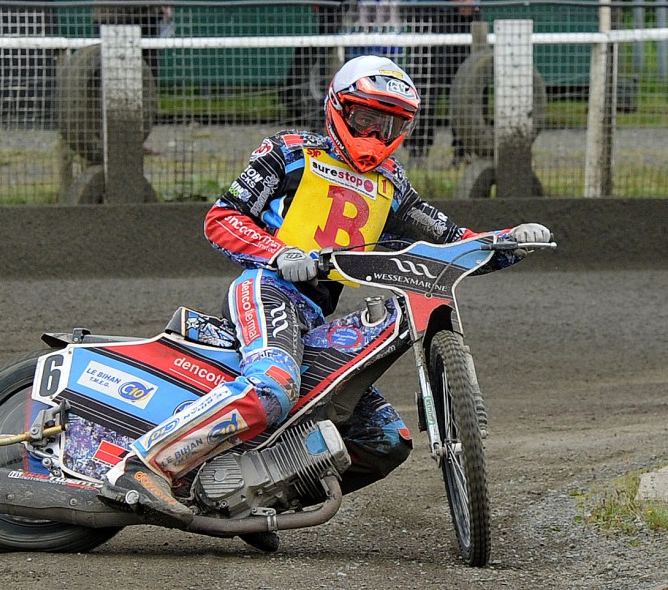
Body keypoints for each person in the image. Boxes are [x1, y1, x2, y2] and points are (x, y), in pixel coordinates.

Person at [101, 55, 552, 537]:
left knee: (386, 439)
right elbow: (222, 218)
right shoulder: (288, 152)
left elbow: (449, 239)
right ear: (338, 107)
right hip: (269, 288)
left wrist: (507, 243)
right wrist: (278, 254)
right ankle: (143, 465)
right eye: (366, 118)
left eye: (390, 125)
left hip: (315, 317)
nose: (375, 134)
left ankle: (257, 499)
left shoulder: (392, 185)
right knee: (274, 386)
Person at [402, 0, 480, 163]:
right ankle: (417, 150)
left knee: (465, 88)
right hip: (429, 16)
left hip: (463, 20)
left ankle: (464, 151)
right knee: (425, 89)